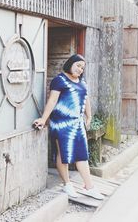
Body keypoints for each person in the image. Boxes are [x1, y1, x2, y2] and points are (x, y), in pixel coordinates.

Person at [33, 54, 104, 200]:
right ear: (70, 63)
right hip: (61, 123)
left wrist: (89, 115)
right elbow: (52, 101)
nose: (80, 69)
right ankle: (67, 184)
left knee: (82, 155)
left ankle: (89, 186)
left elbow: (86, 97)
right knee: (63, 154)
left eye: (82, 68)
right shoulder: (59, 80)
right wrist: (44, 119)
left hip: (78, 124)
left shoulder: (81, 81)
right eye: (78, 65)